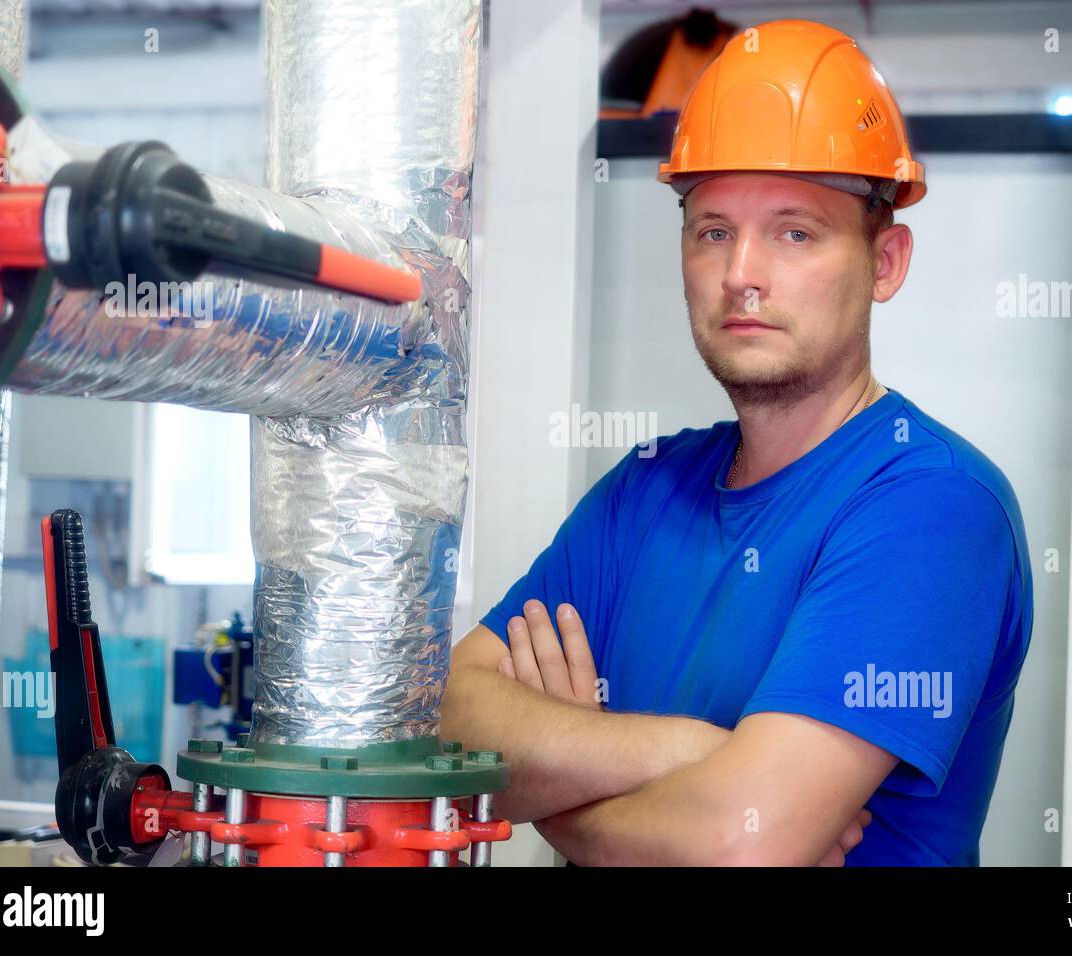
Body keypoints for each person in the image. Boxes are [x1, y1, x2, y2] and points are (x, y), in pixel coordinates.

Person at [440, 18, 1033, 866]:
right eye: (713, 229)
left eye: (796, 232)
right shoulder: (643, 489)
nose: (741, 273)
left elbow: (738, 845)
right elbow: (451, 730)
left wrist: (557, 802)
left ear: (888, 261)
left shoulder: (933, 505)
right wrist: (691, 752)